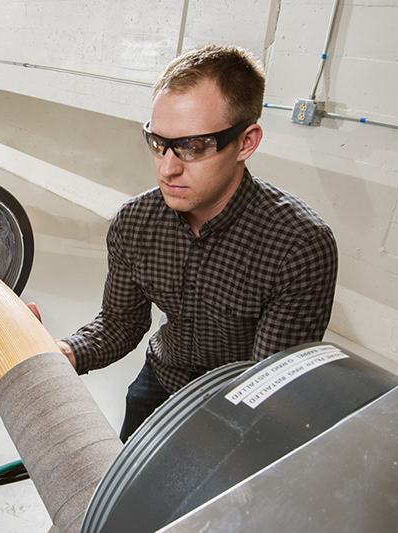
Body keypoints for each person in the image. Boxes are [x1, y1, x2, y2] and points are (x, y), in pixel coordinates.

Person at [54, 44, 338, 442]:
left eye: (194, 146)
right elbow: (122, 322)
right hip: (160, 380)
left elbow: (268, 383)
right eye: (158, 143)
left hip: (236, 408)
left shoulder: (298, 245)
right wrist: (66, 353)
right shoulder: (136, 222)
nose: (168, 168)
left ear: (246, 142)